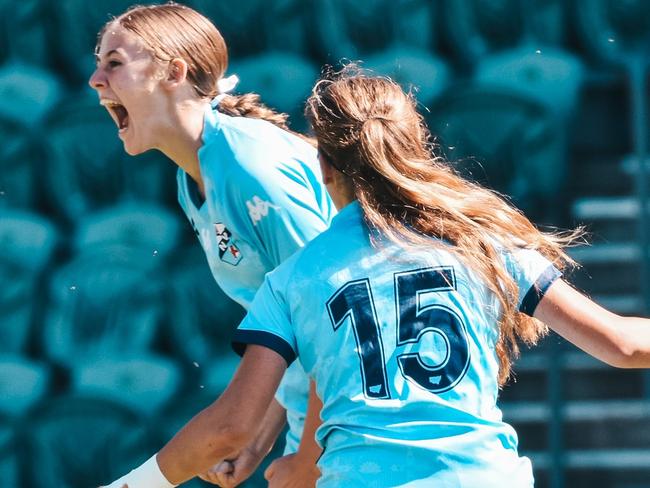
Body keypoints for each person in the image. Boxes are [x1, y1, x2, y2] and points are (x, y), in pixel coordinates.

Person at [100, 67, 650, 488]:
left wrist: (134, 482)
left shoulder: (294, 279)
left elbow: (231, 428)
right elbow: (624, 344)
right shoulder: (482, 241)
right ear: (415, 146)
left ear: (323, 167)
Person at [88, 3, 332, 486]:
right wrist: (259, 438)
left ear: (174, 72)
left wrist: (308, 463)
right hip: (325, 432)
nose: (96, 79)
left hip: (358, 438)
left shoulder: (251, 166)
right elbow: (291, 324)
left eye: (114, 62)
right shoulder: (193, 176)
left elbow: (342, 320)